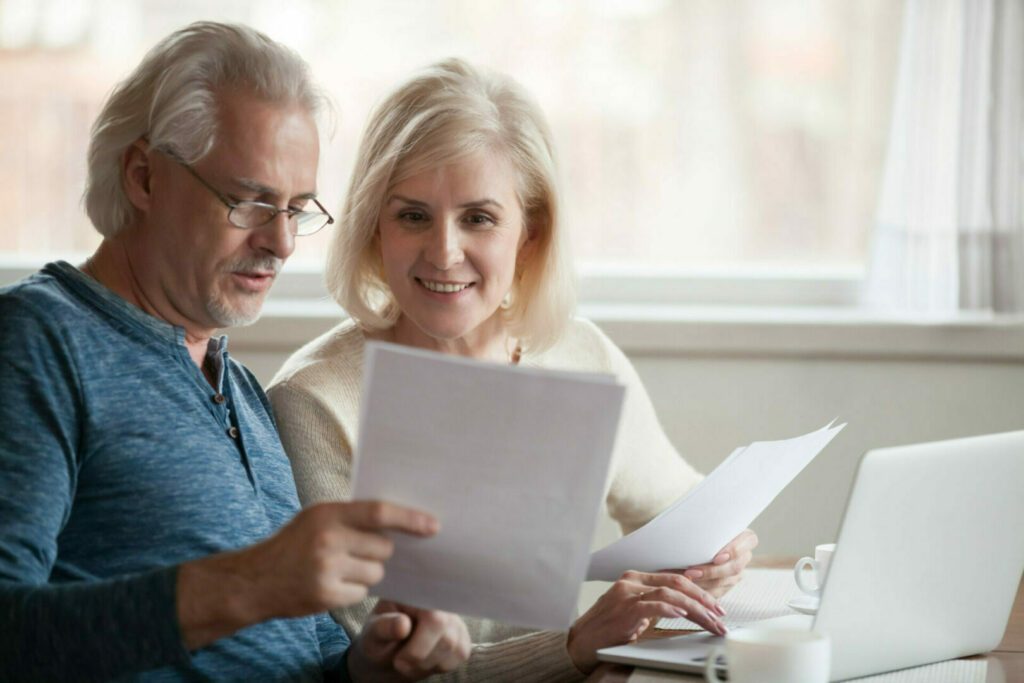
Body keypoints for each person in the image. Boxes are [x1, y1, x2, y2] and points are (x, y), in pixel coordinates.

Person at [0, 22, 471, 682]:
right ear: (144, 176)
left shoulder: (243, 389)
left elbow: (296, 659)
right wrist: (248, 582)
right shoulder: (38, 342)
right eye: (251, 201)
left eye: (298, 208)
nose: (281, 242)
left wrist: (370, 663)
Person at [267, 58, 758, 680]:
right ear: (373, 228)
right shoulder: (315, 401)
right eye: (412, 215)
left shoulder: (580, 355)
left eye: (479, 218)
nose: (444, 251)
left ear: (531, 233)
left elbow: (677, 507)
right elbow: (384, 669)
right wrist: (578, 646)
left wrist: (719, 548)